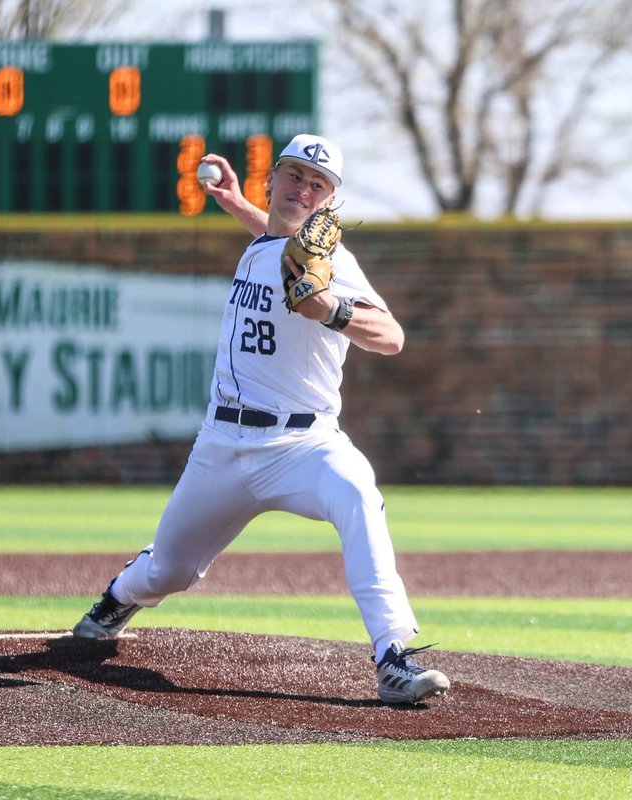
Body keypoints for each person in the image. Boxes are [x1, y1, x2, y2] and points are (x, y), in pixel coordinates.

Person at [72, 134, 450, 705]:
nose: (303, 190)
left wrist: (333, 310)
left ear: (329, 202)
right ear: (271, 178)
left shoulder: (332, 263)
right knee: (169, 571)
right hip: (222, 444)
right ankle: (119, 597)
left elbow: (392, 338)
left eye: (317, 185)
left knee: (356, 491)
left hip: (304, 444)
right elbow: (275, 239)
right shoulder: (268, 242)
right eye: (295, 175)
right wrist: (233, 203)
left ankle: (392, 654)